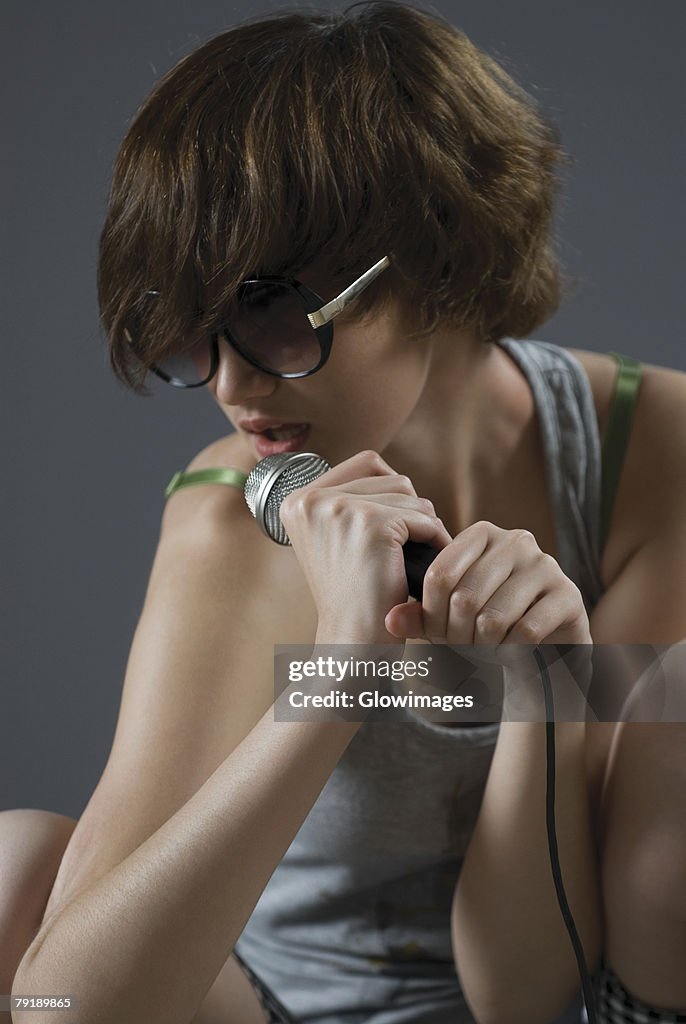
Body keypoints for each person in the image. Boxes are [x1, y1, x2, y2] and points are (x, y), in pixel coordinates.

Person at [2, 4, 685, 1023]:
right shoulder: (229, 518)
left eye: (271, 312)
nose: (232, 388)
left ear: (434, 258)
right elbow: (66, 1003)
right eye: (190, 337)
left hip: (577, 991)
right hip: (272, 1009)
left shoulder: (650, 456)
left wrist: (542, 695)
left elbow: (528, 996)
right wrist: (341, 665)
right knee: (17, 866)